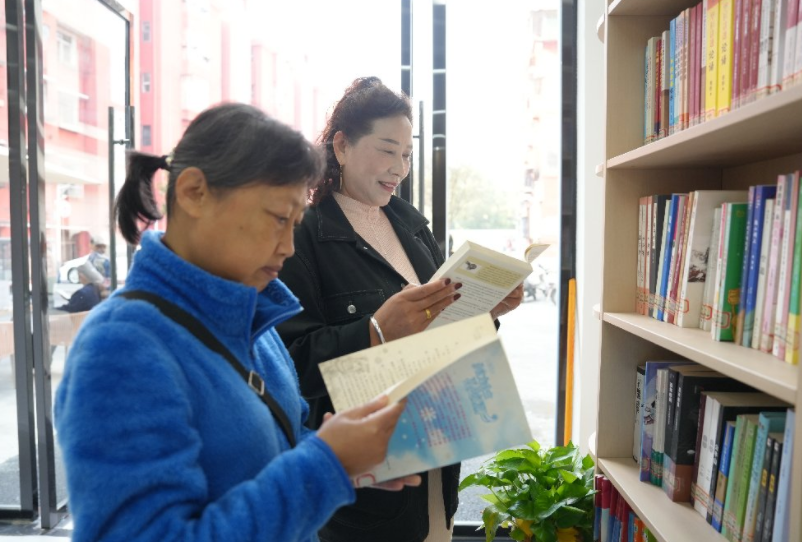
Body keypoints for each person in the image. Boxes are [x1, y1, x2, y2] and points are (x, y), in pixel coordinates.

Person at [54, 103, 417, 542]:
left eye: (295, 223)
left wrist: (350, 459)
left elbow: (278, 449)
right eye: (278, 219)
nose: (288, 247)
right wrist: (328, 464)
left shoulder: (254, 324)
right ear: (194, 193)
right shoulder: (122, 347)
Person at [276, 77, 524, 542]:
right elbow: (291, 364)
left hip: (436, 462)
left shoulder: (413, 230)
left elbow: (440, 332)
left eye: (407, 154)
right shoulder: (303, 237)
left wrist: (484, 312)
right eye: (388, 150)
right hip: (366, 491)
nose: (400, 168)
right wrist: (375, 330)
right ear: (342, 146)